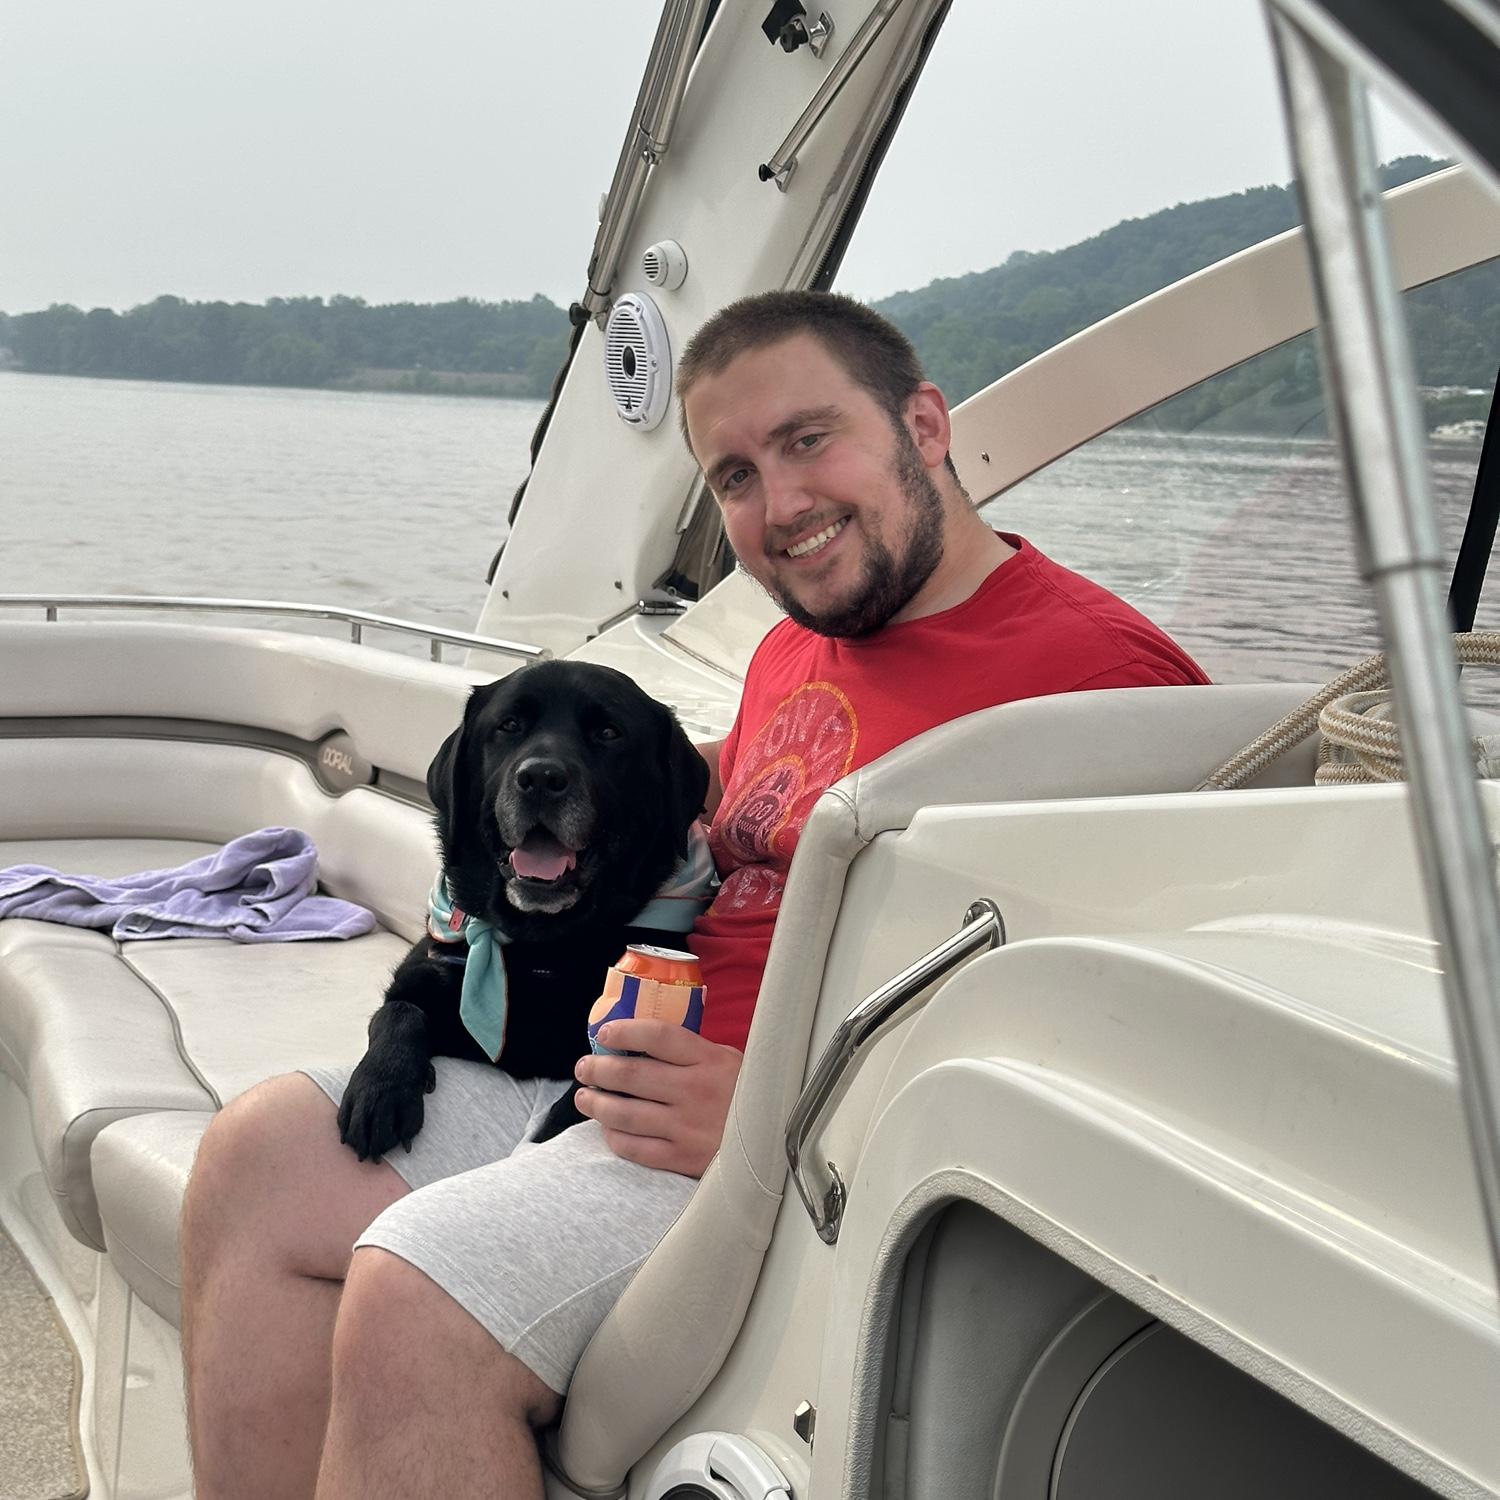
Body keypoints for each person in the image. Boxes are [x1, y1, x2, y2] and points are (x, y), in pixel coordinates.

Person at [178, 291, 1207, 1500]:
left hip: (778, 1158)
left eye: (810, 439)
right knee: (254, 1158)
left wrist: (785, 1120)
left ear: (925, 427)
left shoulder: (1103, 685)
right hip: (621, 1082)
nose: (782, 506)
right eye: (735, 476)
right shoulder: (797, 643)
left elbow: (1120, 1038)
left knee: (419, 1289)